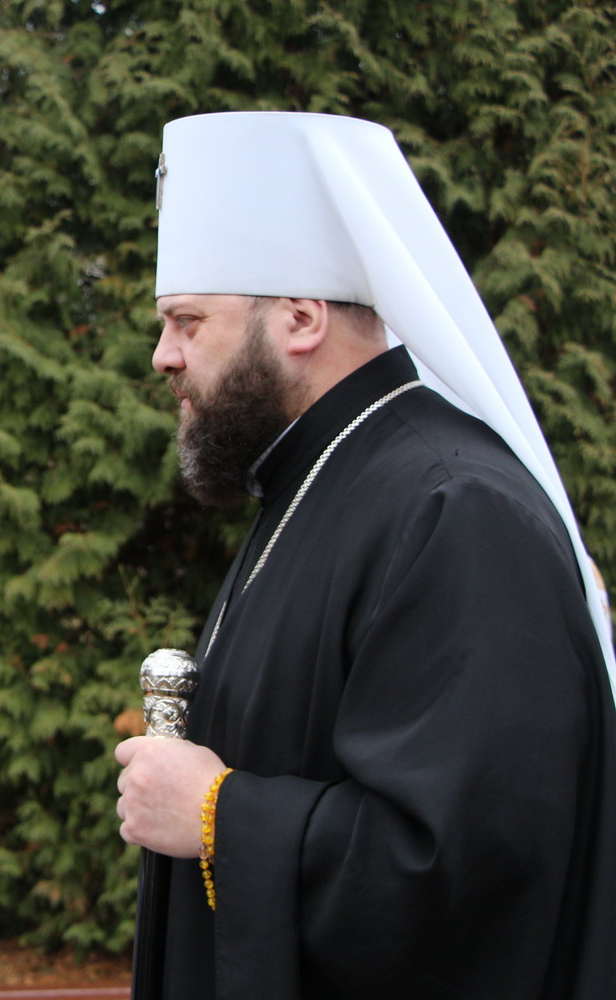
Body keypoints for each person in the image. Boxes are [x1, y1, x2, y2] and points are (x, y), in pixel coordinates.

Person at [114, 112, 616, 999]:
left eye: (188, 322)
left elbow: (465, 865)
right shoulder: (317, 480)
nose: (164, 356)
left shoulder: (455, 511)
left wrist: (217, 813)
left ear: (302, 318)